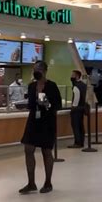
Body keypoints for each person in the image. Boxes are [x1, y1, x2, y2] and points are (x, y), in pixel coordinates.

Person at [19, 61, 62, 194]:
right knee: (28, 148)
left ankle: (48, 182)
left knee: (46, 151)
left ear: (44, 71)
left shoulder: (52, 86)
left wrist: (46, 104)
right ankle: (31, 183)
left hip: (47, 121)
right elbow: (31, 104)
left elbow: (57, 105)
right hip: (33, 120)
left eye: (38, 69)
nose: (35, 71)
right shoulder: (31, 86)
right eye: (34, 69)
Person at [68, 70, 87, 148]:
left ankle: (77, 142)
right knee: (80, 125)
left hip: (76, 109)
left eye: (73, 75)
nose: (71, 76)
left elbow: (76, 97)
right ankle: (81, 141)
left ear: (77, 76)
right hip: (82, 107)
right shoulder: (83, 85)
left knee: (75, 125)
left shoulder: (76, 86)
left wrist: (73, 107)